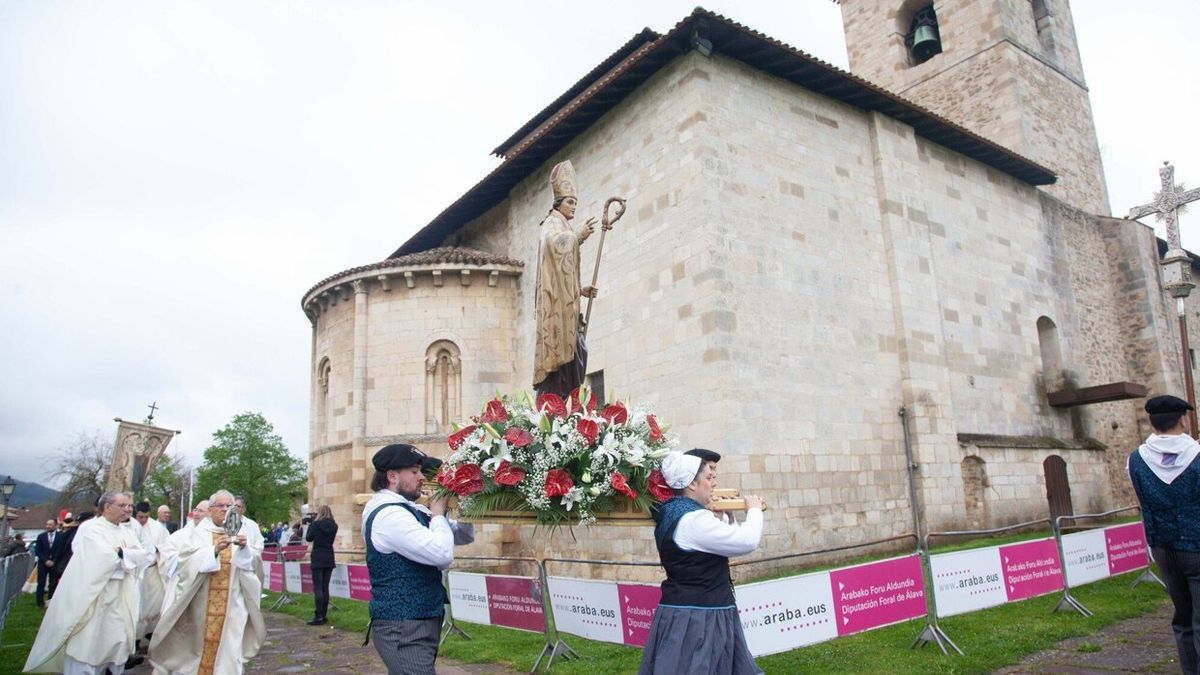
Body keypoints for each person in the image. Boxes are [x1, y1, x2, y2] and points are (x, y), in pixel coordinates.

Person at [638, 449, 764, 675]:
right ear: (692, 484)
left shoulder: (676, 513)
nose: (713, 484)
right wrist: (754, 510)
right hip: (699, 618)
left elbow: (720, 544)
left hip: (688, 611)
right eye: (708, 477)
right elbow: (747, 541)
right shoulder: (695, 520)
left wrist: (730, 516)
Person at [362, 443, 475, 674]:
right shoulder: (389, 515)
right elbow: (442, 554)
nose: (422, 477)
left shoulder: (409, 509)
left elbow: (463, 535)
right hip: (403, 626)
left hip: (417, 622)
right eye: (414, 472)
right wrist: (437, 513)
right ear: (392, 476)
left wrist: (463, 502)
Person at [23, 491, 146, 674]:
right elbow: (101, 556)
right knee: (89, 642)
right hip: (95, 595)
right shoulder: (92, 529)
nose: (127, 510)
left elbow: (141, 555)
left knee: (117, 640)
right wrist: (125, 554)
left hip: (121, 595)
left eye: (129, 506)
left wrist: (123, 553)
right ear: (107, 507)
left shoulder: (127, 531)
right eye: (122, 506)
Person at [150, 489, 265, 674]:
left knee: (230, 650)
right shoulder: (199, 532)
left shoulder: (241, 531)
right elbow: (185, 562)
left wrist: (245, 550)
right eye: (221, 506)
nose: (226, 509)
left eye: (230, 506)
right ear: (211, 510)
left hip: (233, 605)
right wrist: (213, 551)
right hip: (202, 604)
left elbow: (254, 566)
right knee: (200, 650)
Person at [1128, 394, 1200, 674]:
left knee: (1182, 618)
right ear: (1182, 419)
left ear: (1152, 422)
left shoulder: (1135, 458)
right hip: (1196, 545)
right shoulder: (1195, 453)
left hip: (1161, 546)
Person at [532, 159, 610, 397]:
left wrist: (579, 290)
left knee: (579, 355)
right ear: (558, 203)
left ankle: (569, 405)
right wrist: (578, 236)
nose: (574, 207)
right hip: (556, 321)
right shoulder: (552, 224)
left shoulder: (562, 223)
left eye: (575, 202)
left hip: (568, 314)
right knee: (570, 361)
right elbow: (553, 246)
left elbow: (560, 276)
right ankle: (557, 406)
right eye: (570, 202)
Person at [133, 502, 171, 646]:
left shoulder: (158, 529)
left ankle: (150, 636)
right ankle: (134, 642)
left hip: (153, 571)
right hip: (135, 573)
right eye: (140, 517)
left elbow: (168, 546)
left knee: (153, 605)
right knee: (137, 606)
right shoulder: (128, 527)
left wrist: (157, 550)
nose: (143, 520)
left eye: (146, 517)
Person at [305, 504, 339, 625]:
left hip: (318, 556)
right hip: (329, 556)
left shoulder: (316, 524)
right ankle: (323, 615)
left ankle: (318, 615)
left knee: (318, 587)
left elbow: (308, 538)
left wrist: (311, 524)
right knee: (325, 587)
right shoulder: (334, 525)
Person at [34, 519, 57, 608]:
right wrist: (45, 560)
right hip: (43, 563)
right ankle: (40, 603)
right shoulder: (41, 536)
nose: (48, 526)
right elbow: (38, 551)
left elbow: (61, 550)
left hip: (55, 563)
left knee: (53, 583)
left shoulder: (60, 536)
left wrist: (54, 560)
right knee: (41, 583)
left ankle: (51, 601)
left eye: (50, 524)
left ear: (55, 525)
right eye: (47, 524)